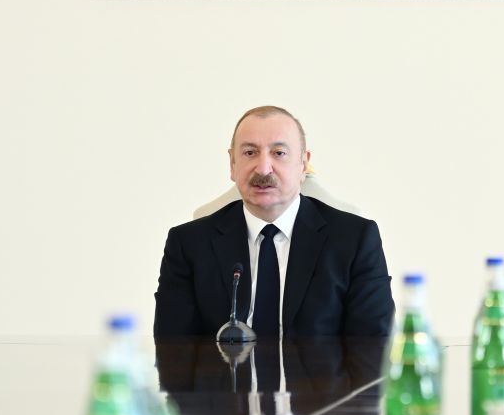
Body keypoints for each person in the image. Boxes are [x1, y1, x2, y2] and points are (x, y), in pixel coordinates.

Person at [153, 105, 395, 339]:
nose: (263, 169)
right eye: (250, 153)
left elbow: (373, 348)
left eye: (279, 153)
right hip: (224, 369)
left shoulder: (355, 240)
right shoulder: (189, 243)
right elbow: (172, 350)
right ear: (232, 164)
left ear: (303, 164)